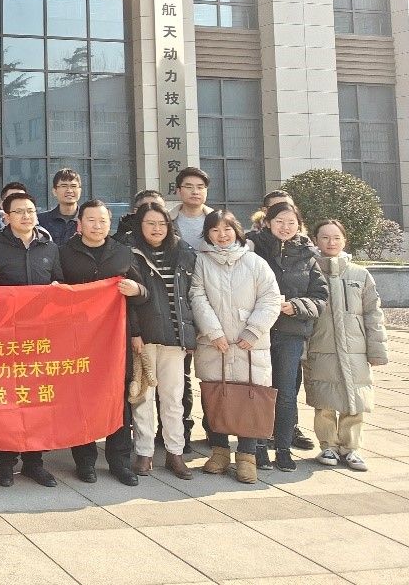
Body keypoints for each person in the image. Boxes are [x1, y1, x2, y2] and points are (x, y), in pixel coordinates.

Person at [58, 199, 147, 486]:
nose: (97, 226)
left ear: (110, 223)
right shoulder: (64, 253)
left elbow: (144, 294)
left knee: (117, 398)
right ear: (79, 224)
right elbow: (53, 292)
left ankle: (120, 462)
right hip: (77, 340)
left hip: (114, 340)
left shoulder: (123, 253)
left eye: (103, 221)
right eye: (91, 220)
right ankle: (84, 461)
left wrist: (136, 289)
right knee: (80, 397)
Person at [190, 210, 282, 484]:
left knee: (250, 397)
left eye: (227, 229)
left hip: (249, 344)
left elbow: (270, 298)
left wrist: (253, 331)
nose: (222, 235)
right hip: (214, 343)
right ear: (207, 234)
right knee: (215, 395)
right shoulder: (200, 262)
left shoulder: (254, 262)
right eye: (215, 230)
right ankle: (219, 452)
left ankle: (247, 456)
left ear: (237, 231)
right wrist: (213, 332)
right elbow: (196, 296)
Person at [0, 190, 61, 488]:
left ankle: (34, 462)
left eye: (30, 210)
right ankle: (5, 463)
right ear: (6, 217)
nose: (26, 216)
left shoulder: (49, 248)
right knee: (7, 402)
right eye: (19, 211)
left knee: (36, 400)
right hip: (7, 338)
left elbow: (61, 285)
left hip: (40, 338)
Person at [250, 201, 327, 471]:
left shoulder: (307, 255)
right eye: (279, 221)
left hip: (290, 333)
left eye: (291, 222)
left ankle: (283, 448)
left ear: (299, 225)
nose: (285, 227)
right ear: (267, 222)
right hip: (258, 332)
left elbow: (320, 297)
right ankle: (258, 446)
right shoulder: (253, 249)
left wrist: (296, 306)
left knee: (285, 393)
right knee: (260, 391)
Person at [306, 219, 388, 472]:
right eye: (324, 237)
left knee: (356, 399)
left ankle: (351, 448)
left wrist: (377, 350)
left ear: (344, 240)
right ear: (315, 241)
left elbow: (373, 314)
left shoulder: (360, 274)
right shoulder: (309, 271)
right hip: (321, 346)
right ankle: (328, 445)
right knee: (324, 399)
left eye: (336, 237)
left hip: (356, 348)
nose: (331, 242)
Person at [127, 202, 197, 480]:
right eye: (150, 223)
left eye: (161, 224)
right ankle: (144, 452)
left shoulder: (183, 252)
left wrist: (191, 334)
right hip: (144, 337)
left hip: (175, 336)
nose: (157, 229)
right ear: (140, 226)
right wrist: (134, 333)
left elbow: (191, 296)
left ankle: (174, 452)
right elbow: (127, 301)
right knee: (143, 397)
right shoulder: (130, 253)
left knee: (173, 398)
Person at [171, 168, 213, 250]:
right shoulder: (167, 220)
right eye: (189, 187)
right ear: (178, 191)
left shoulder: (219, 220)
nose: (195, 192)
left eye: (200, 187)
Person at [38, 168, 82, 244]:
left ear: (80, 191)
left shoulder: (87, 220)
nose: (69, 190)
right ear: (54, 191)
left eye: (73, 186)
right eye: (64, 186)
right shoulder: (41, 221)